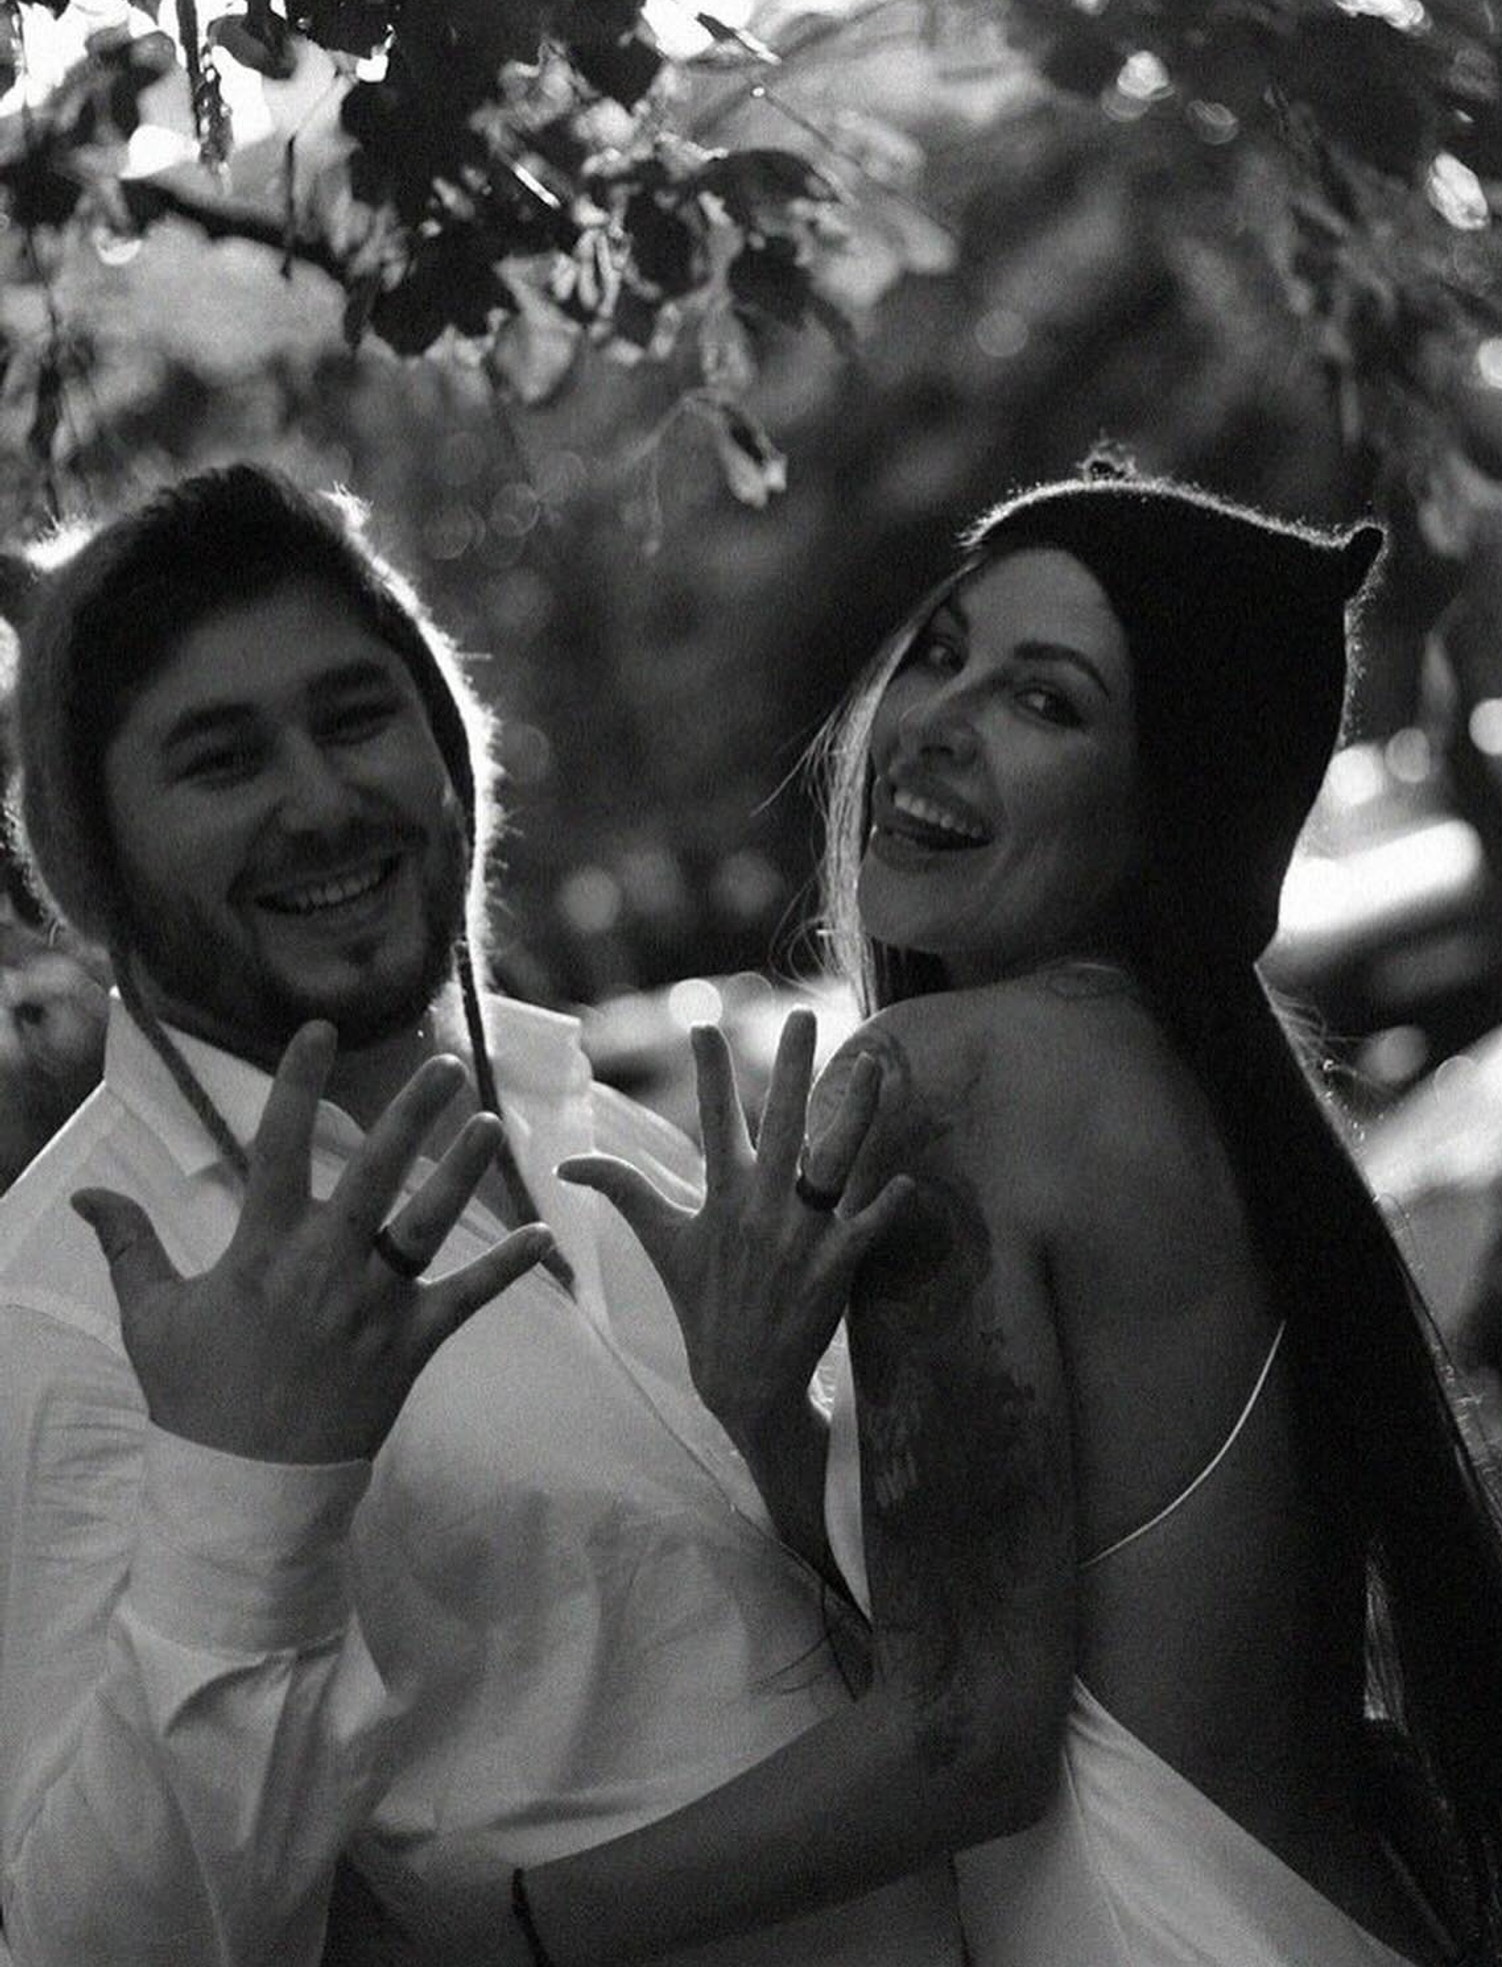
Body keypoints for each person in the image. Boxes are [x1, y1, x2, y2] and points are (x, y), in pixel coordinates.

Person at [486, 464, 1502, 1967]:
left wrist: (514, 1927)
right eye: (943, 652)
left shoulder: (954, 1078)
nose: (935, 722)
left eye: (1047, 701)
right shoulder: (1191, 1080)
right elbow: (1019, 1620)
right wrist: (765, 1408)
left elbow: (967, 1738)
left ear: (1172, 804)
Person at [0, 464, 952, 1967]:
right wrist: (250, 1489)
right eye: (221, 760)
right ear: (95, 858)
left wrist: (788, 1427)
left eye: (357, 718)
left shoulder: (599, 1121)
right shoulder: (62, 1302)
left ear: (453, 752)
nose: (323, 802)